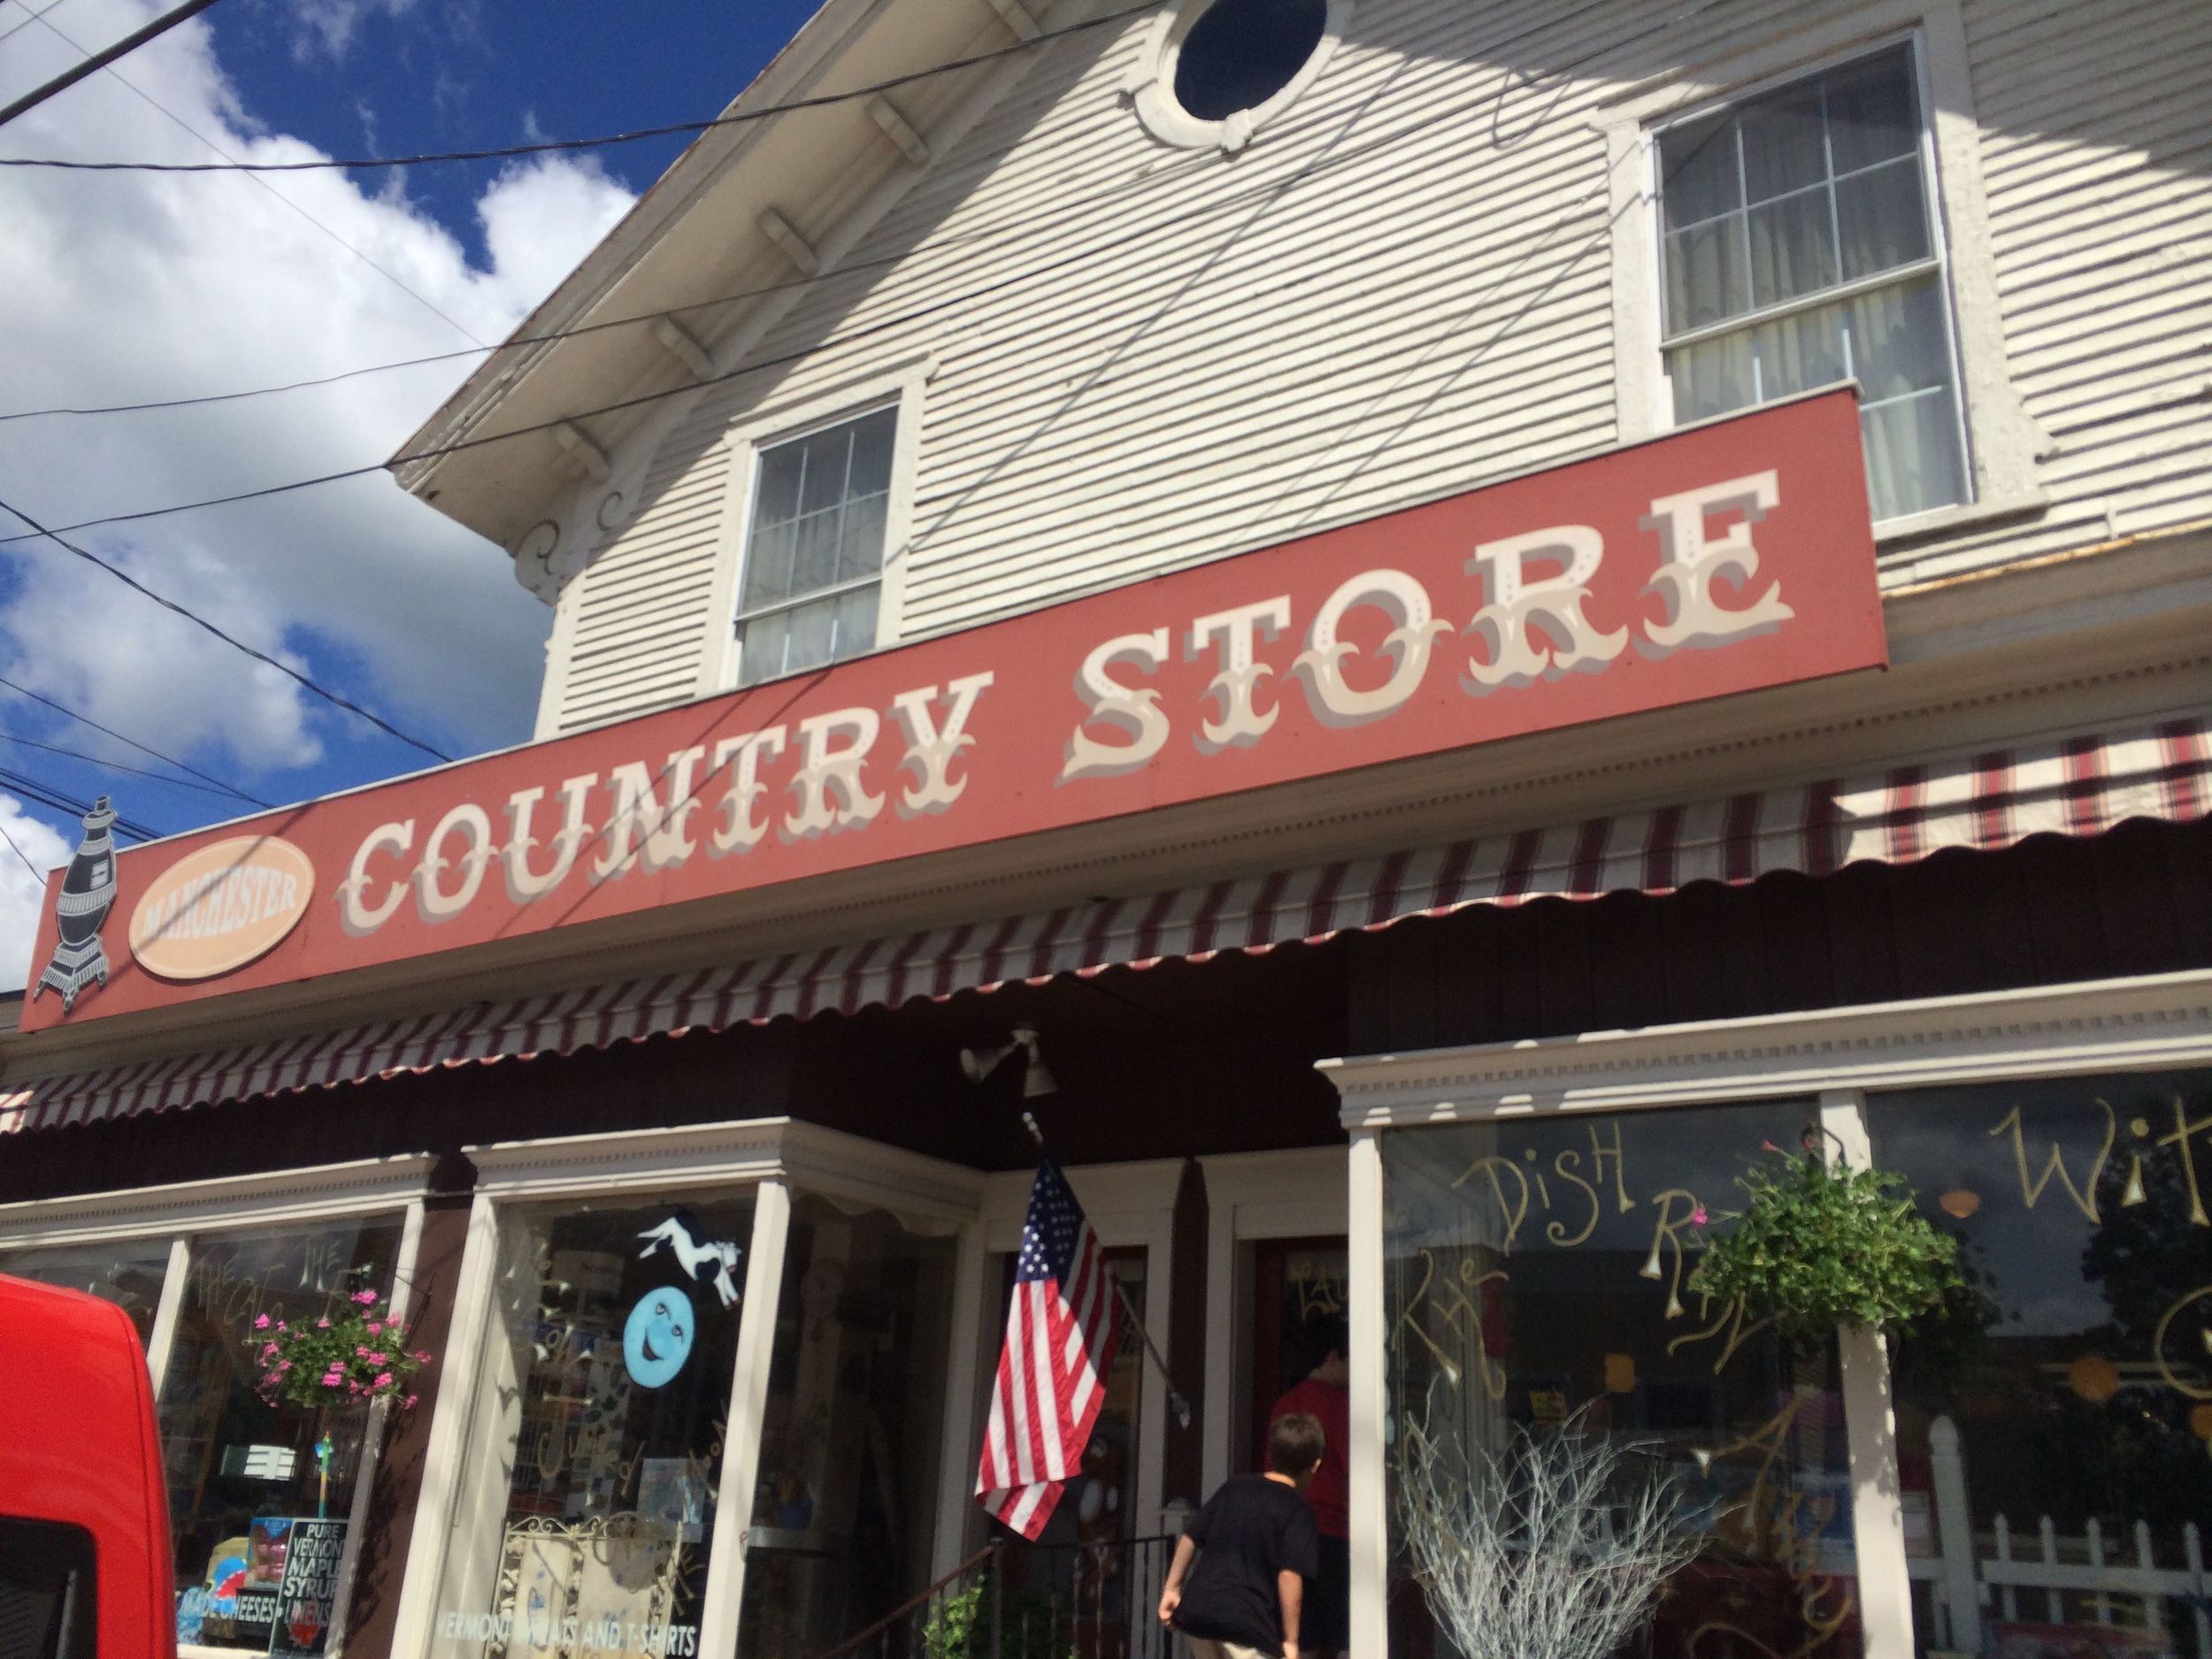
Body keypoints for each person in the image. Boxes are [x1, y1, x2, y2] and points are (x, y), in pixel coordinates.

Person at [1158, 1412, 1324, 1659]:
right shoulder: (1298, 1511)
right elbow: (1289, 1575)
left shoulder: (1233, 1488)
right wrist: (1291, 1641)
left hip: (1200, 1614)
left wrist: (1172, 1588)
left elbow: (1191, 1537)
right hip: (1248, 1625)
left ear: (1270, 1455)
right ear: (1315, 1465)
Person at [1269, 1317, 1349, 1659]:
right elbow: (1356, 1466)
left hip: (1291, 1531)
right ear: (1332, 1358)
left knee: (1304, 1636)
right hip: (1334, 1532)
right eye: (1349, 1362)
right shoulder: (1340, 1405)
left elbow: (1272, 1471)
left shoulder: (1284, 1405)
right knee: (1347, 1634)